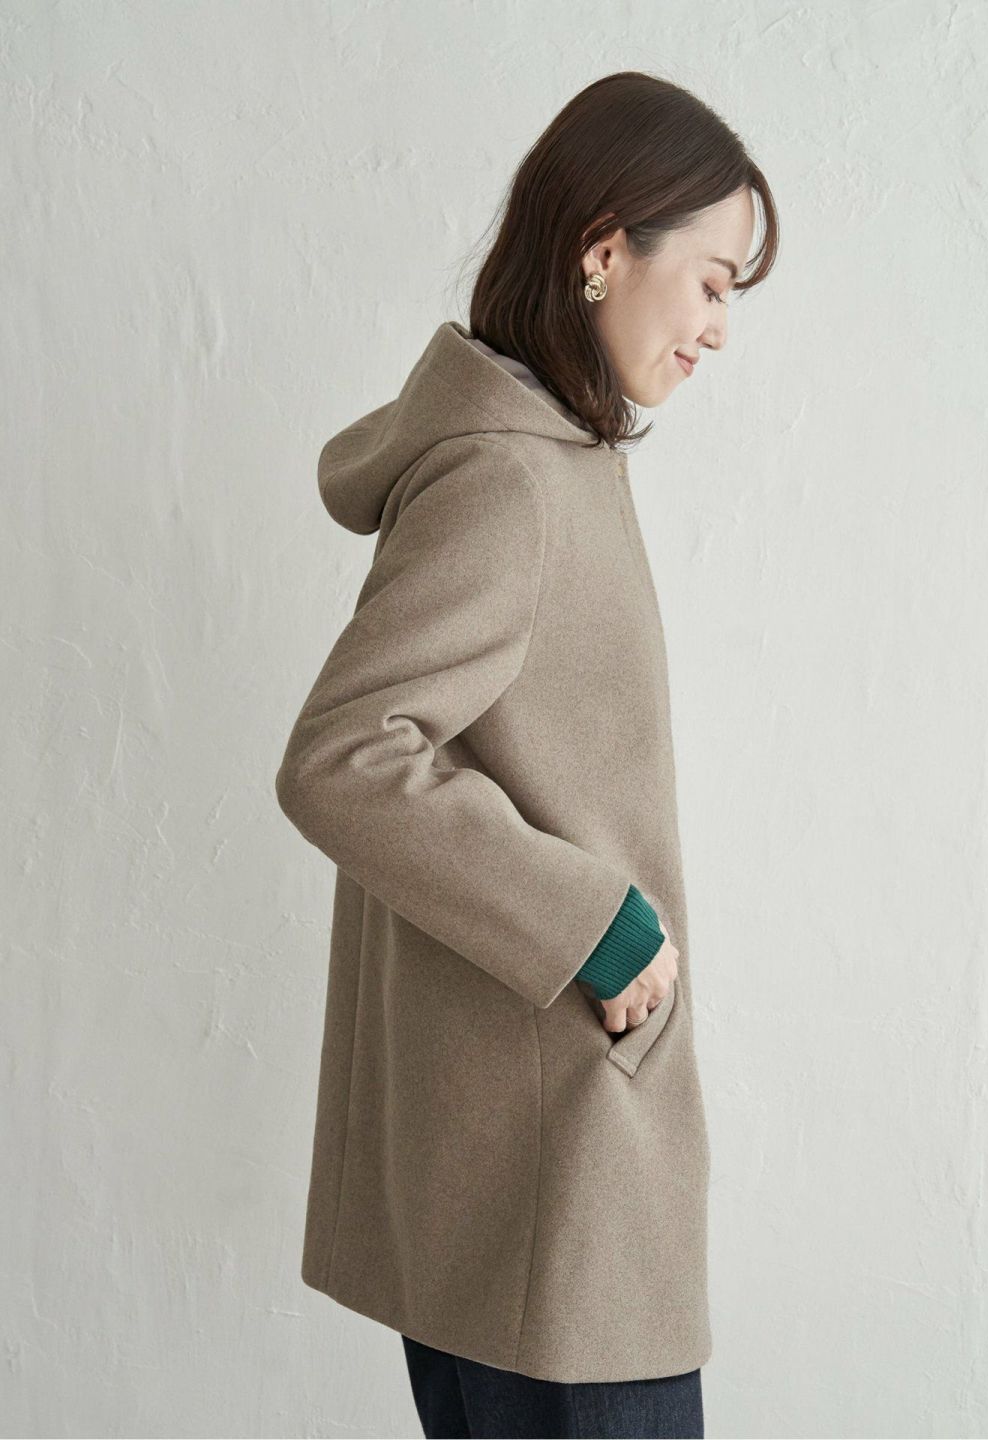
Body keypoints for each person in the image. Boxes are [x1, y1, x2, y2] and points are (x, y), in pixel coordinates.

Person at [274, 70, 778, 1439]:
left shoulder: (547, 459)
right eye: (713, 282)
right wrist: (596, 926)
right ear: (605, 250)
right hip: (551, 1188)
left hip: (520, 1166)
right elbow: (344, 756)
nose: (719, 327)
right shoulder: (511, 477)